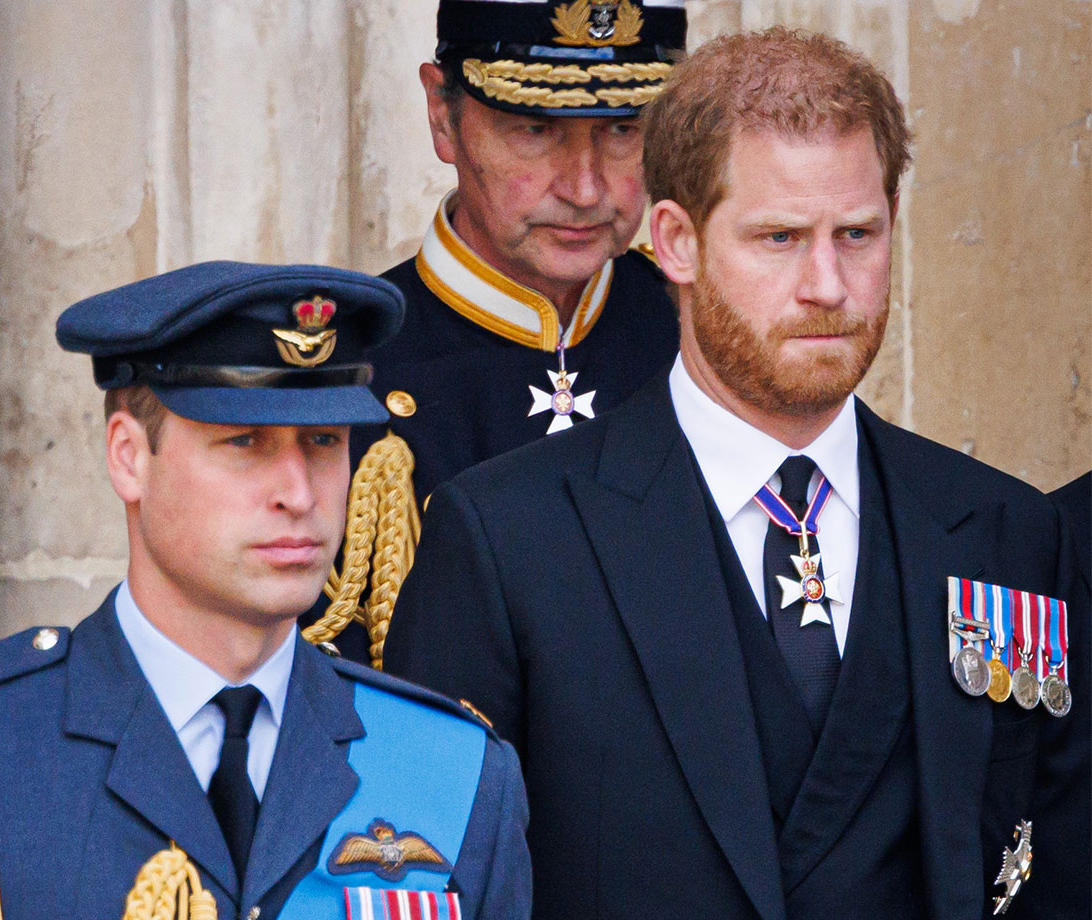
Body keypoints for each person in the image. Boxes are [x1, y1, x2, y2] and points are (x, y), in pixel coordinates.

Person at [385, 28, 1090, 920]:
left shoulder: (1004, 533)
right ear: (676, 241)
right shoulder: (505, 542)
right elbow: (442, 876)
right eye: (780, 237)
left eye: (858, 234)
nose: (828, 284)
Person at [0, 261, 531, 920]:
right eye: (244, 442)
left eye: (324, 442)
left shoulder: (454, 769)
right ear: (129, 458)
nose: (297, 492)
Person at [303, 0, 687, 664]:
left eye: (623, 128)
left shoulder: (705, 335)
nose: (585, 186)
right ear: (441, 116)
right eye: (536, 128)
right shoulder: (337, 372)